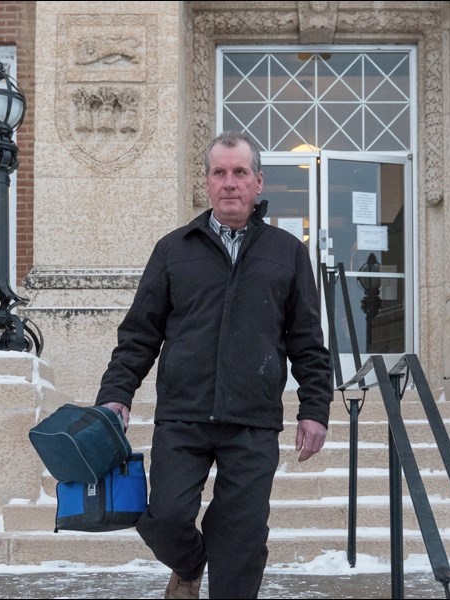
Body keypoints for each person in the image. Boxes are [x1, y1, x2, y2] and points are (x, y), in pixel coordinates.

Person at [95, 131, 333, 599]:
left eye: (240, 173)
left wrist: (314, 408)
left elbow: (307, 340)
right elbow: (140, 333)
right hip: (184, 415)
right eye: (220, 173)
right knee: (163, 516)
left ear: (258, 182)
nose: (230, 183)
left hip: (252, 419)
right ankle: (188, 564)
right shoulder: (173, 249)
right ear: (206, 183)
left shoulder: (287, 253)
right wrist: (116, 394)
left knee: (241, 538)